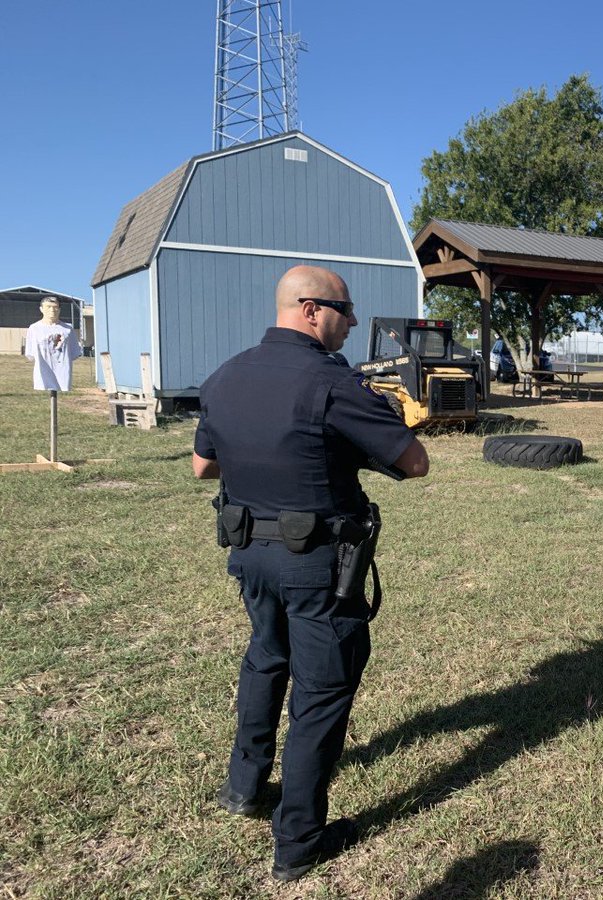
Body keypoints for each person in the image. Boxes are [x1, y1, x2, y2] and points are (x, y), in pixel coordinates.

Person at [192, 265, 429, 881]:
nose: (352, 322)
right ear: (310, 309)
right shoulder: (335, 384)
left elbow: (202, 467)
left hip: (248, 554)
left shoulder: (224, 376)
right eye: (345, 310)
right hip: (317, 564)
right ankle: (299, 840)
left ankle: (244, 787)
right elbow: (415, 461)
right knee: (321, 693)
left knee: (266, 660)